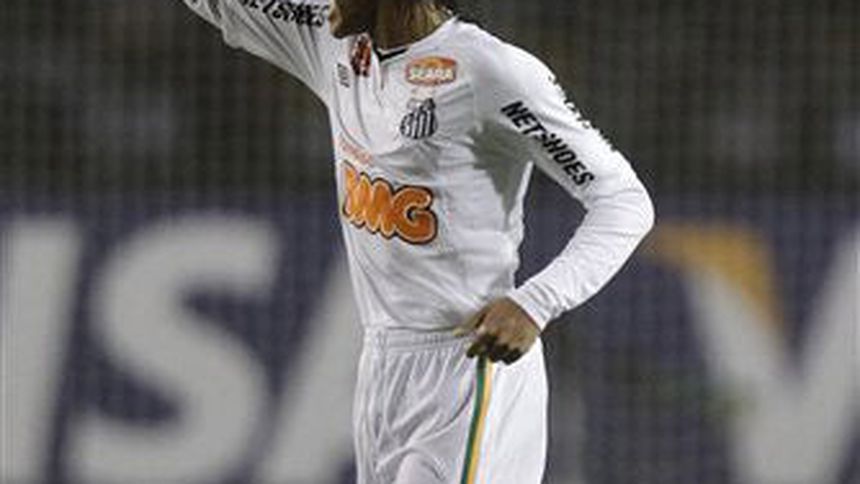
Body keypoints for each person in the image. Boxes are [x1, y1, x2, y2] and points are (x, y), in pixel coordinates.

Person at [180, 0, 654, 482]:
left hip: (468, 362)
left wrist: (535, 303)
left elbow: (624, 199)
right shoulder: (331, 40)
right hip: (382, 366)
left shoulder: (492, 72)